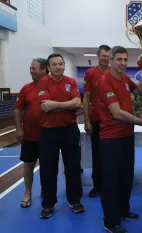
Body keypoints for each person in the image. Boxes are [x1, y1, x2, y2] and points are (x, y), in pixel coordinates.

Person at [96, 46, 142, 233]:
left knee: (125, 178)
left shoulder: (123, 78)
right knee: (111, 181)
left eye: (125, 60)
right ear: (111, 60)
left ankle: (123, 210)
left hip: (126, 136)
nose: (123, 63)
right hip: (111, 139)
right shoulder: (105, 81)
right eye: (119, 59)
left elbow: (138, 91)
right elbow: (117, 113)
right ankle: (110, 221)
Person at [37, 54, 84, 219]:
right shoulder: (43, 82)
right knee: (48, 169)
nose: (58, 67)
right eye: (54, 64)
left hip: (69, 130)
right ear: (48, 68)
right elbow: (45, 106)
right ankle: (48, 204)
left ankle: (75, 200)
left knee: (73, 167)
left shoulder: (71, 82)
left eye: (61, 64)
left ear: (64, 65)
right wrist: (67, 105)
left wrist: (55, 104)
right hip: (48, 131)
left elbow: (77, 102)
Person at [14, 58, 48, 208]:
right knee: (28, 164)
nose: (31, 71)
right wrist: (19, 129)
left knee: (47, 165)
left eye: (34, 68)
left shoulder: (51, 86)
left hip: (48, 134)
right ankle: (27, 192)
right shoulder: (26, 88)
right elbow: (17, 109)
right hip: (29, 135)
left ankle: (46, 191)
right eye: (30, 68)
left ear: (44, 69)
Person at [83, 45, 111, 197]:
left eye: (108, 56)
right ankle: (97, 185)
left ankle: (110, 184)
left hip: (112, 121)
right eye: (103, 55)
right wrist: (86, 120)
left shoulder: (115, 72)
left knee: (111, 155)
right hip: (96, 120)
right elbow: (86, 98)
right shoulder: (90, 73)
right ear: (98, 56)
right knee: (97, 154)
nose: (106, 58)